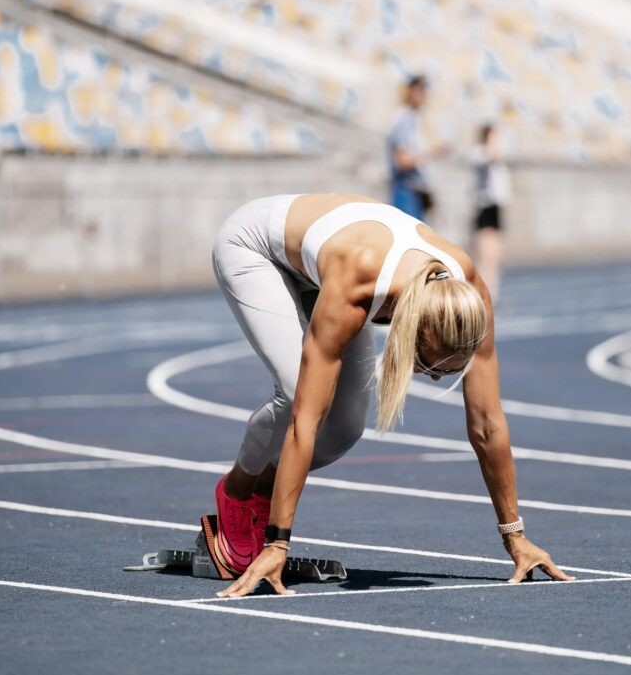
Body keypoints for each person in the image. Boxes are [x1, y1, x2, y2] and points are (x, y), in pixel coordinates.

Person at [210, 193, 571, 597]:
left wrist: (515, 537)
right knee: (300, 393)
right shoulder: (359, 286)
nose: (434, 380)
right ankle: (238, 492)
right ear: (408, 330)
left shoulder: (469, 296)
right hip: (256, 248)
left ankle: (265, 491)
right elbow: (305, 420)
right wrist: (279, 543)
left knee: (345, 428)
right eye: (432, 367)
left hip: (330, 265)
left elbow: (487, 424)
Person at [387, 75, 447, 219]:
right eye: (419, 90)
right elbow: (403, 161)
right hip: (406, 192)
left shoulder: (415, 121)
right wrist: (433, 151)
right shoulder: (403, 120)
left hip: (415, 193)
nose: (423, 96)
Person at [470, 123, 512, 304]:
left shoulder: (496, 156)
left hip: (496, 208)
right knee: (486, 257)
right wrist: (493, 144)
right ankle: (481, 293)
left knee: (496, 257)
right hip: (485, 208)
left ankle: (492, 293)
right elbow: (487, 157)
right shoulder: (479, 152)